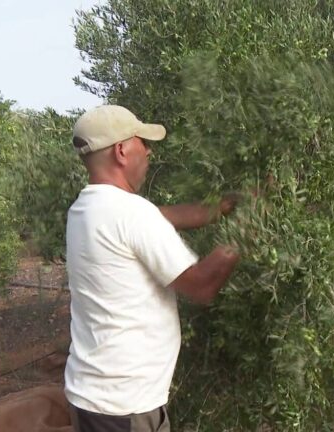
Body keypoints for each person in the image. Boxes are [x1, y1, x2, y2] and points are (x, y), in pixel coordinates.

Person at [64, 105, 240, 432]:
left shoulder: (87, 208)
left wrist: (224, 207)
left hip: (93, 396)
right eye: (142, 143)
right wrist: (249, 227)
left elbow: (160, 216)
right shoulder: (131, 213)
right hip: (124, 408)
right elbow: (202, 286)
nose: (148, 152)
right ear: (121, 151)